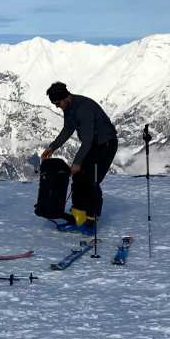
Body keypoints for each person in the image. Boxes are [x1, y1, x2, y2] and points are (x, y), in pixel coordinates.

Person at [40, 81, 118, 233]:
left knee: (90, 180)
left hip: (105, 144)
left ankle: (90, 220)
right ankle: (79, 217)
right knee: (78, 176)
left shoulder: (83, 108)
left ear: (66, 97)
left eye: (58, 103)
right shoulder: (69, 107)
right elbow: (68, 129)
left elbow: (87, 139)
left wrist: (77, 162)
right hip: (93, 144)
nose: (57, 106)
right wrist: (52, 147)